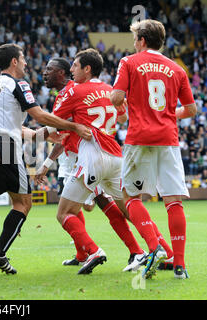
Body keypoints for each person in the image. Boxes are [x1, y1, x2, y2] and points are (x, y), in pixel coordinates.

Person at [0, 43, 92, 275]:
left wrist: (40, 134)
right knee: (23, 203)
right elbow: (38, 115)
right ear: (13, 61)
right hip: (6, 147)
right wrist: (74, 126)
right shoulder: (18, 83)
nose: (25, 63)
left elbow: (13, 125)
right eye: (22, 59)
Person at [36, 57, 149, 272]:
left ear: (84, 69)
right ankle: (152, 248)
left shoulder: (72, 92)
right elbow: (123, 118)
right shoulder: (110, 90)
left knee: (69, 210)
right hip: (113, 153)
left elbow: (52, 127)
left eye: (74, 66)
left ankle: (93, 250)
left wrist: (30, 134)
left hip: (85, 158)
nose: (71, 70)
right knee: (124, 207)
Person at [111, 19, 197, 279]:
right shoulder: (177, 69)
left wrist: (123, 105)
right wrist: (170, 114)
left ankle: (154, 246)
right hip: (168, 139)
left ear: (142, 41)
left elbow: (115, 97)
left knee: (131, 196)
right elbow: (191, 110)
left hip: (139, 138)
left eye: (136, 38)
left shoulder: (129, 62)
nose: (134, 43)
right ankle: (180, 266)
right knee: (173, 200)